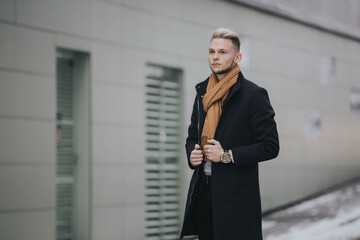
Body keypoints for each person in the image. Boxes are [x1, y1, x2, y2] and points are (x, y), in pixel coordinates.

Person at [180, 28, 279, 240]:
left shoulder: (253, 95)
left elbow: (270, 146)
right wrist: (192, 153)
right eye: (211, 51)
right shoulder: (202, 93)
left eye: (222, 52)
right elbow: (191, 135)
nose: (215, 57)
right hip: (203, 192)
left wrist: (226, 155)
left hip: (237, 198)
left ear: (237, 57)